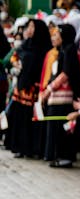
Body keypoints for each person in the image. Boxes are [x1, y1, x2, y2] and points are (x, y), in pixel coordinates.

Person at [41, 23, 80, 167]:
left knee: (63, 128)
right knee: (56, 128)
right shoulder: (63, 50)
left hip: (64, 99)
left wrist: (49, 89)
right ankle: (57, 155)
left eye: (56, 34)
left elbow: (65, 74)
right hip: (57, 97)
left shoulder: (69, 50)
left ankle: (65, 156)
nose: (54, 37)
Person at [10, 20, 51, 159]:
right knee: (20, 118)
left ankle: (33, 148)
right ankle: (20, 147)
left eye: (33, 26)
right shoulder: (25, 45)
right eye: (29, 26)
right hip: (22, 86)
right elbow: (14, 56)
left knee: (32, 118)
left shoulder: (44, 48)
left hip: (35, 88)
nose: (30, 29)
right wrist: (16, 64)